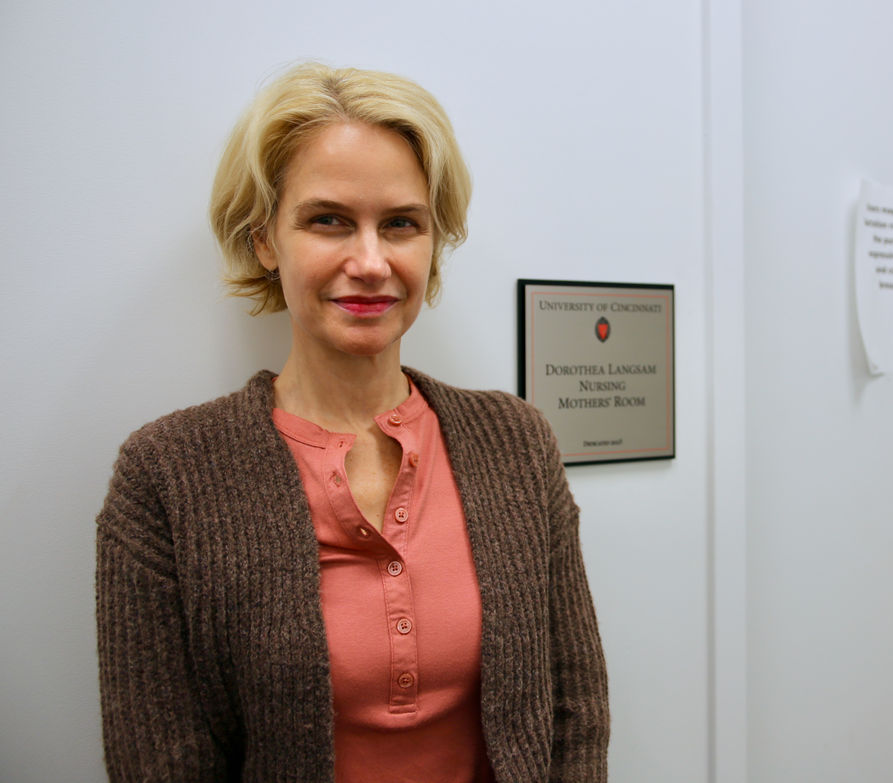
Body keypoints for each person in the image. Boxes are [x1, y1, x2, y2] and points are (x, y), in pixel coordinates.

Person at [95, 62, 608, 782]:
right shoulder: (166, 476)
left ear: (432, 242)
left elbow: (576, 708)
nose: (370, 262)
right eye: (328, 220)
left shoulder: (517, 442)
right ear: (265, 239)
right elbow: (159, 760)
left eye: (401, 223)